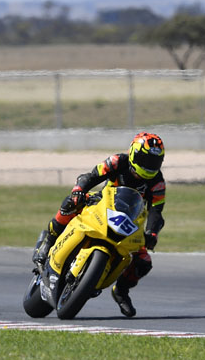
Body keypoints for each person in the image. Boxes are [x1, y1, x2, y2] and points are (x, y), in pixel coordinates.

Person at [32, 132, 166, 317]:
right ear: (134, 154)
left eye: (154, 162)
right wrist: (79, 190)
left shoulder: (158, 182)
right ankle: (48, 241)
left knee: (143, 262)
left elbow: (156, 212)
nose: (149, 165)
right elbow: (91, 176)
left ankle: (121, 291)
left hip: (130, 221)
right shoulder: (118, 161)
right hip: (101, 205)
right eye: (145, 160)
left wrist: (152, 233)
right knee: (71, 203)